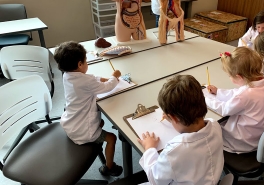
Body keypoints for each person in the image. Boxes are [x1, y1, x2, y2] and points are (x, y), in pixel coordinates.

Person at [137, 75, 224, 185]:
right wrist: (175, 119)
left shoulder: (174, 151)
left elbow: (155, 179)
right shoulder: (215, 125)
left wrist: (149, 149)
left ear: (173, 118)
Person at [53, 41, 123, 177]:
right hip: (83, 131)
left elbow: (91, 79)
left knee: (100, 122)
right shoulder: (86, 82)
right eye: (86, 61)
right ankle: (109, 167)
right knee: (112, 138)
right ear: (80, 64)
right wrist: (114, 77)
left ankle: (97, 132)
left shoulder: (67, 75)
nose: (87, 64)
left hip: (71, 123)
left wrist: (104, 78)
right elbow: (107, 87)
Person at [206, 47, 264, 153]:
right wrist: (218, 91)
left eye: (229, 76)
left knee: (208, 129)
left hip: (242, 141)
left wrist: (205, 99)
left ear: (239, 77)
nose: (229, 77)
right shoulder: (261, 82)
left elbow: (224, 109)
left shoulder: (246, 95)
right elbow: (236, 93)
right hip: (256, 134)